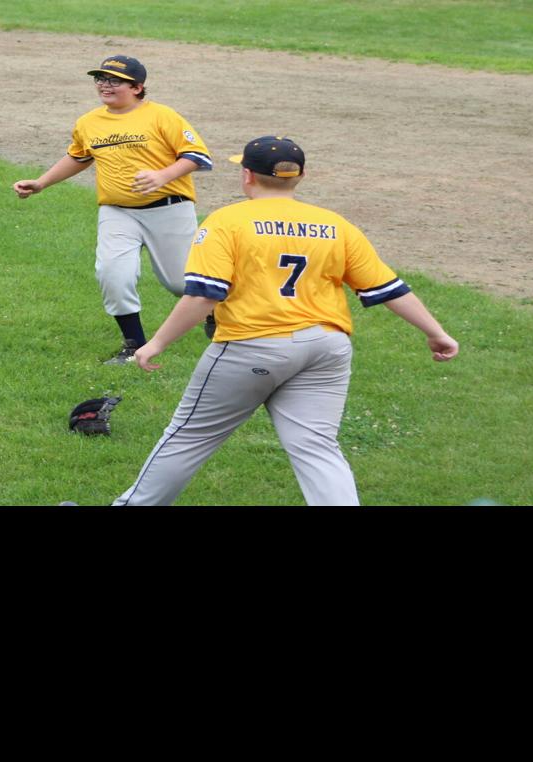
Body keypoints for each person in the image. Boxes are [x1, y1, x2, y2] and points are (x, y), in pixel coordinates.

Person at [113, 136, 460, 506]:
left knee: (188, 437)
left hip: (252, 346)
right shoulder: (334, 225)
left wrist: (157, 342)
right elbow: (388, 288)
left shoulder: (227, 222)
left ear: (247, 175)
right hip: (326, 349)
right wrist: (436, 333)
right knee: (317, 449)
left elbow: (203, 295)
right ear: (301, 176)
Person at [12, 55, 215, 365]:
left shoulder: (163, 116)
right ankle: (134, 346)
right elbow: (79, 157)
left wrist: (162, 175)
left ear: (137, 87)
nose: (104, 84)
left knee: (180, 282)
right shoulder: (89, 122)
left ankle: (217, 315)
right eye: (100, 79)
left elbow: (198, 157)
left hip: (170, 210)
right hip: (117, 212)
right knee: (112, 275)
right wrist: (42, 183)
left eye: (114, 80)